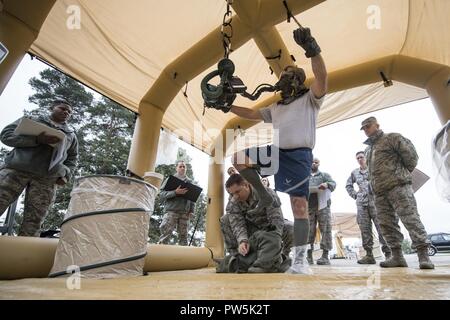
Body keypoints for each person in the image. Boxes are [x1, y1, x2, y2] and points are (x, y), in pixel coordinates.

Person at [228, 27, 327, 274]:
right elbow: (251, 113)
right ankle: (263, 194)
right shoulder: (277, 106)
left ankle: (302, 261)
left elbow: (322, 76)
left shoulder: (310, 99)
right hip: (276, 152)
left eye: (288, 73)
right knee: (239, 158)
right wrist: (227, 105)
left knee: (299, 207)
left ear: (297, 78)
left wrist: (312, 49)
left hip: (299, 155)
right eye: (282, 73)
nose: (283, 76)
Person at [362, 116, 434, 269]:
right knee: (386, 224)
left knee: (410, 219)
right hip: (379, 193)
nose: (366, 130)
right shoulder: (368, 150)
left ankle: (423, 256)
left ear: (377, 125)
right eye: (364, 128)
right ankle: (397, 256)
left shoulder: (392, 138)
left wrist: (399, 174)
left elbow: (411, 158)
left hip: (398, 187)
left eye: (368, 126)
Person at [0, 99, 78, 236]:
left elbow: (72, 158)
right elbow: (6, 135)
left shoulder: (71, 135)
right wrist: (36, 140)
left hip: (46, 179)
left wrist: (65, 175)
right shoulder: (31, 120)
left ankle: (21, 254)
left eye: (69, 112)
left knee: (34, 221)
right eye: (62, 108)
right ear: (51, 108)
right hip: (16, 171)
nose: (66, 112)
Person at [217, 174, 287, 273]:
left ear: (246, 185)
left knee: (291, 229)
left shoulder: (266, 193)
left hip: (269, 231)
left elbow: (276, 220)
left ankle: (280, 256)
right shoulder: (234, 200)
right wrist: (242, 241)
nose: (235, 196)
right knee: (225, 219)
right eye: (232, 194)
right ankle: (237, 257)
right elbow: (237, 223)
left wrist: (271, 238)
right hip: (252, 231)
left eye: (237, 192)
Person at [346, 151, 391, 264]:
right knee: (365, 230)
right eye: (358, 158)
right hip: (362, 204)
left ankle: (388, 254)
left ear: (366, 158)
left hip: (375, 202)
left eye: (361, 157)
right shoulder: (355, 173)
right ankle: (369, 255)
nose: (360, 159)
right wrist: (355, 195)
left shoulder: (374, 169)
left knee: (381, 228)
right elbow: (348, 185)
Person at [158, 160, 196, 246]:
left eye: (184, 167)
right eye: (180, 166)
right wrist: (175, 192)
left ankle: (183, 258)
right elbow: (161, 194)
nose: (182, 168)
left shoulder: (190, 182)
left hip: (185, 214)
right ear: (176, 168)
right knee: (165, 236)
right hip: (171, 212)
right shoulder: (170, 179)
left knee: (184, 239)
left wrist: (192, 210)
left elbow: (192, 198)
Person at [307, 158, 336, 265]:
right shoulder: (305, 176)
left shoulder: (324, 175)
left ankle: (325, 255)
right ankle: (309, 256)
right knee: (309, 231)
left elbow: (333, 184)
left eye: (316, 162)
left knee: (326, 229)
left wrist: (327, 185)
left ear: (319, 164)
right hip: (309, 207)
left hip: (323, 206)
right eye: (312, 161)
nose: (314, 163)